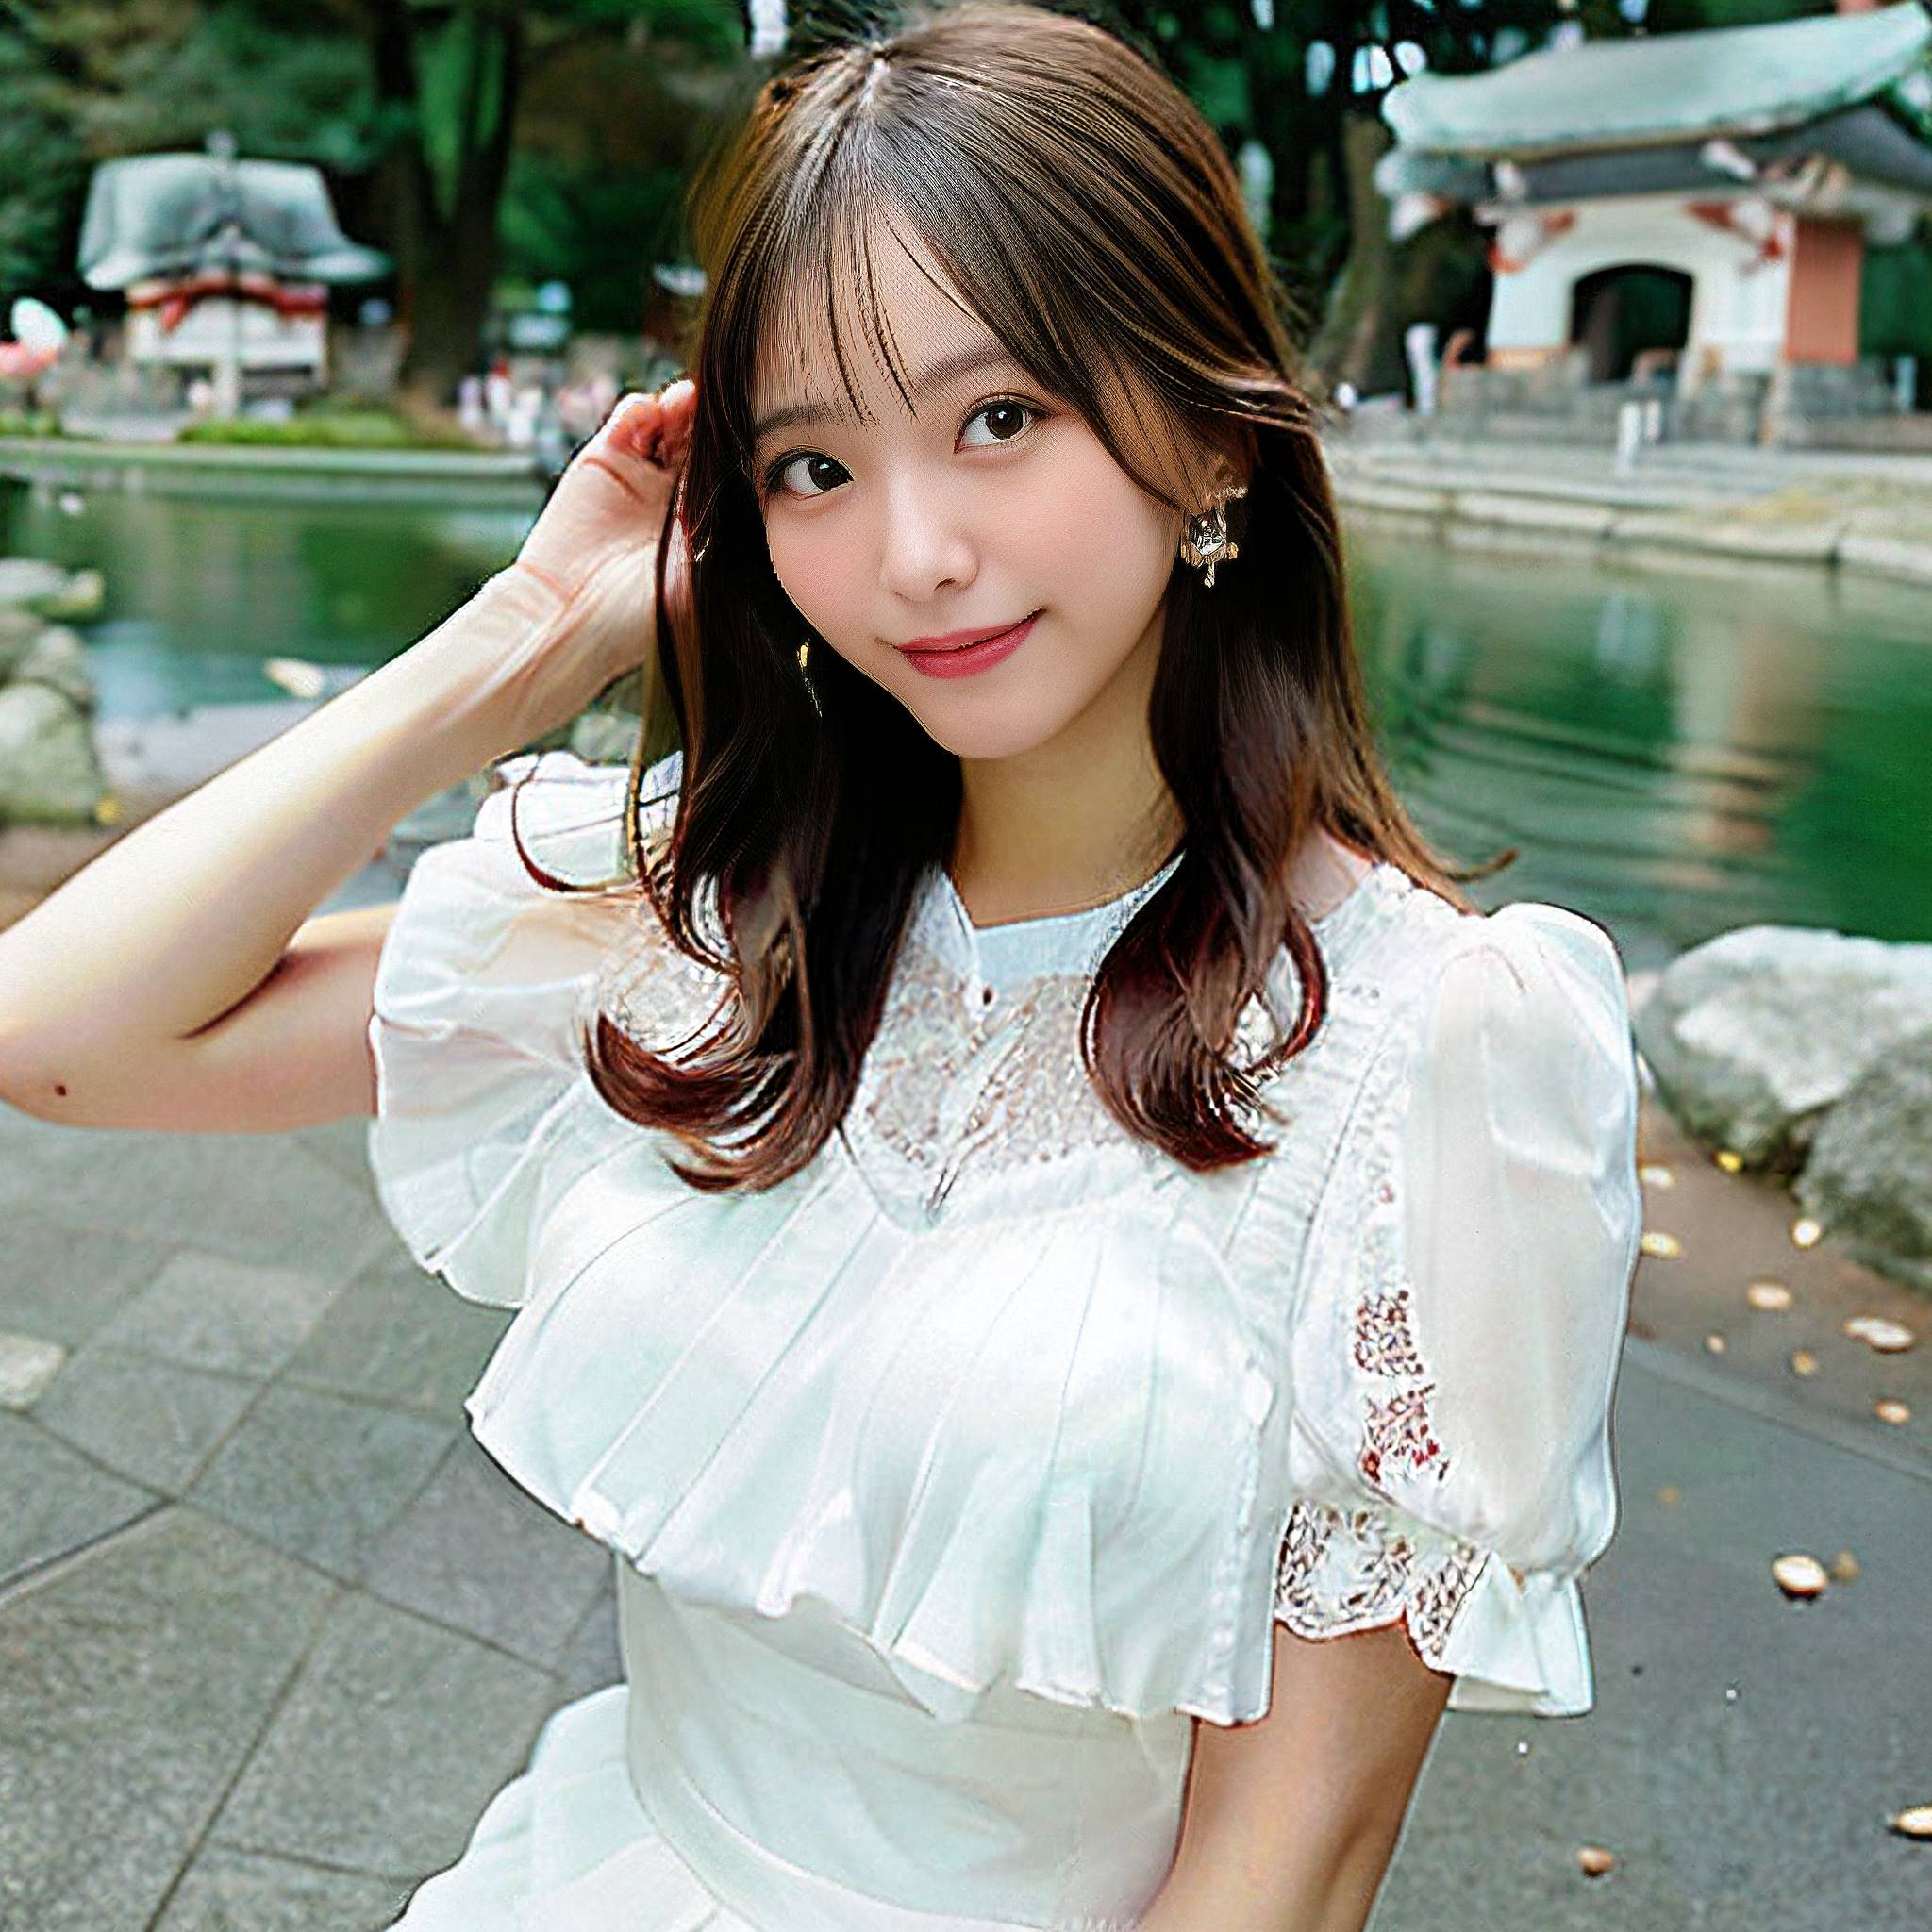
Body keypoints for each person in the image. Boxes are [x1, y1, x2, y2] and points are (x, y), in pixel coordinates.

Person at [0, 5, 1642, 1927]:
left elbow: (1287, 1864)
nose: (915, 552)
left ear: (1206, 433)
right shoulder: (705, 917)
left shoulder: (1429, 1055)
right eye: (812, 466)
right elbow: (60, 1038)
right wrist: (534, 631)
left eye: (999, 418)